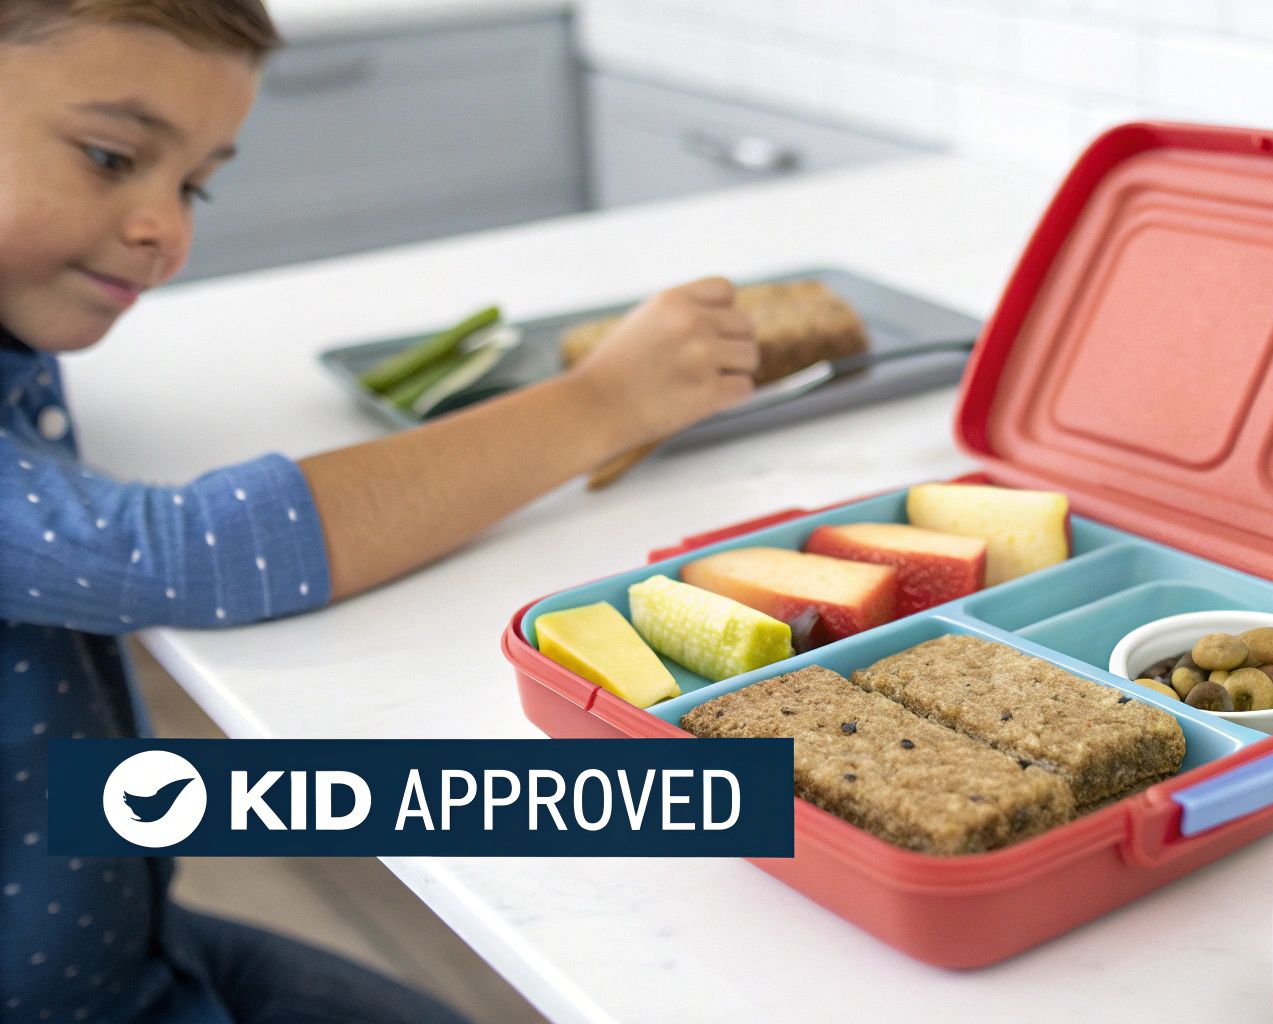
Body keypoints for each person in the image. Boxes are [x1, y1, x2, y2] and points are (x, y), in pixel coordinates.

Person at [0, 1, 759, 1019]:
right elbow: (182, 553)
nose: (166, 232)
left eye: (193, 187)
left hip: (129, 948)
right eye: (109, 157)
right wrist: (604, 401)